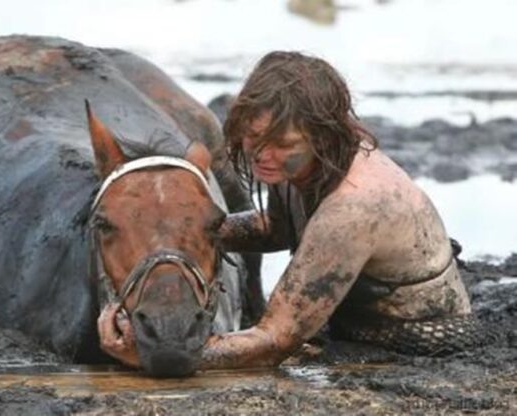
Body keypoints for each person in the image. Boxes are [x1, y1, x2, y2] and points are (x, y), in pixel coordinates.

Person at [98, 51, 479, 369]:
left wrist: (158, 352)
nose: (261, 155)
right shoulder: (304, 165)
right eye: (253, 137)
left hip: (415, 343)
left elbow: (273, 341)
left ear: (324, 136)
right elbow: (278, 229)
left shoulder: (353, 208)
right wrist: (187, 234)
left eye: (282, 143)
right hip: (353, 325)